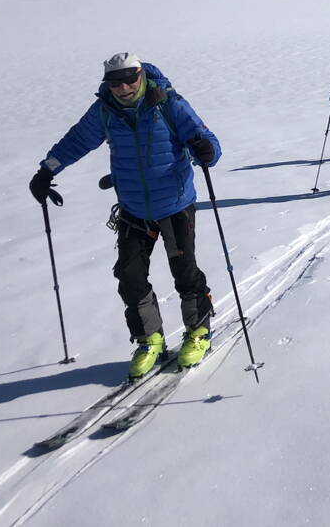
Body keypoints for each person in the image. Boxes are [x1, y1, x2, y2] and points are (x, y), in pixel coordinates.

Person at [28, 53, 221, 380]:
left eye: (131, 78)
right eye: (115, 82)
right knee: (129, 275)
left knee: (184, 271)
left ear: (142, 75)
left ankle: (199, 332)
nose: (124, 87)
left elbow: (208, 143)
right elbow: (77, 141)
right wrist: (46, 172)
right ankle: (151, 340)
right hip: (133, 207)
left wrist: (205, 151)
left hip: (174, 203)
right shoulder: (105, 111)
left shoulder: (168, 104)